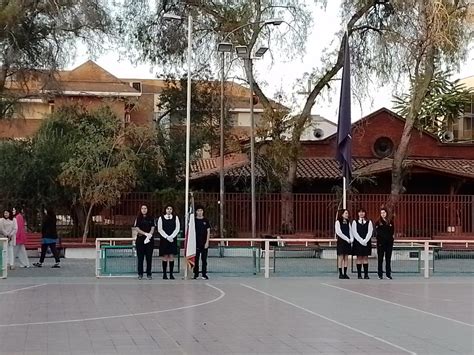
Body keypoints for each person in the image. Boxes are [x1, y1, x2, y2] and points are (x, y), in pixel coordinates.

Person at [157, 205, 180, 280]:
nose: (169, 210)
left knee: (171, 256)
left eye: (170, 209)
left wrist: (172, 236)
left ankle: (171, 274)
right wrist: (167, 237)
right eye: (168, 209)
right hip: (164, 239)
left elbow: (177, 228)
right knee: (165, 256)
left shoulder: (175, 218)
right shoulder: (161, 218)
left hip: (173, 239)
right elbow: (160, 229)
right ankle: (164, 274)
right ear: (165, 210)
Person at [133, 205, 155, 280]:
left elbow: (153, 227)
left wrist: (149, 235)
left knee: (149, 258)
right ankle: (140, 274)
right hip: (140, 240)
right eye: (142, 208)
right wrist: (145, 233)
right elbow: (137, 228)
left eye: (145, 208)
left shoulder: (151, 218)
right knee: (140, 258)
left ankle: (149, 273)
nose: (144, 210)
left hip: (149, 240)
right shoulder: (138, 218)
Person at [351, 208, 373, 279]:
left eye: (363, 212)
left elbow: (370, 232)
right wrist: (360, 240)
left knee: (365, 258)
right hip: (358, 242)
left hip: (366, 242)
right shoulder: (355, 222)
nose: (361, 213)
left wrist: (365, 240)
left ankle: (366, 274)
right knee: (359, 258)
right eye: (360, 212)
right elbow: (354, 232)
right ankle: (359, 274)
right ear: (357, 213)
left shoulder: (369, 222)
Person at [375, 208, 394, 279]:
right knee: (380, 259)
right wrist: (384, 238)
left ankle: (388, 274)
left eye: (384, 212)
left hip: (389, 243)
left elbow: (392, 231)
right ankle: (380, 274)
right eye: (381, 213)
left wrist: (390, 239)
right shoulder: (378, 222)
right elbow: (379, 232)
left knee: (388, 259)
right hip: (381, 243)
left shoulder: (390, 222)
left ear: (386, 213)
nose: (383, 214)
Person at [193, 204, 211, 280]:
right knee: (196, 260)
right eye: (198, 211)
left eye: (201, 210)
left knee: (204, 259)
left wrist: (207, 242)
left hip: (204, 243)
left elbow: (208, 231)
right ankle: (196, 274)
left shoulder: (206, 221)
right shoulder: (194, 221)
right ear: (196, 212)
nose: (200, 212)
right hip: (196, 243)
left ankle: (204, 274)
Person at [335, 209, 353, 279]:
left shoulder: (348, 222)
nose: (347, 214)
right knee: (341, 257)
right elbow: (339, 232)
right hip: (341, 241)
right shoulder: (338, 222)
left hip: (348, 242)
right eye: (346, 213)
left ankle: (345, 273)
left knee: (346, 257)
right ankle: (340, 273)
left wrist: (351, 239)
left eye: (347, 213)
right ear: (342, 214)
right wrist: (346, 239)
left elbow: (350, 231)